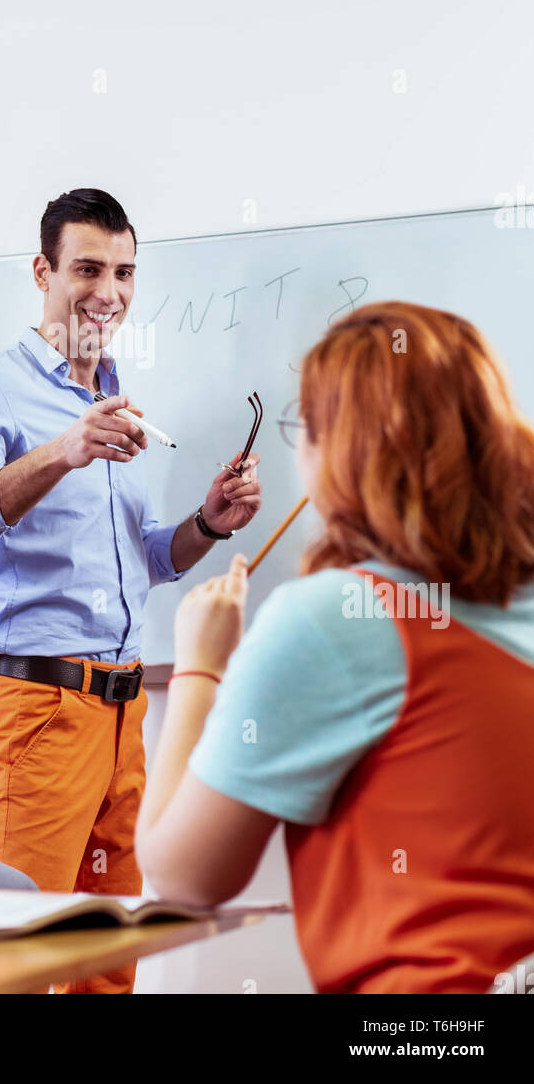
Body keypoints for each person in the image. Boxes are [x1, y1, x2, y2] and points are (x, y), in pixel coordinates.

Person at [0, 188, 262, 993]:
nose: (108, 292)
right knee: (22, 966)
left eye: (124, 272)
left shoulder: (114, 396)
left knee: (108, 971)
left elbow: (130, 561)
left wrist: (204, 525)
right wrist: (59, 452)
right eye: (87, 268)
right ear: (42, 271)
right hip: (40, 716)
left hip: (125, 717)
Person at [136, 300, 534, 994]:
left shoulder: (335, 620)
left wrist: (199, 663)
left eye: (306, 427)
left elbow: (181, 876)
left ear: (343, 448)